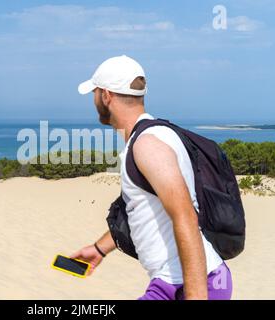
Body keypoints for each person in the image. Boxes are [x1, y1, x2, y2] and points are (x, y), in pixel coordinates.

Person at [72, 55, 232, 300]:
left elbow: (185, 215)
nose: (94, 101)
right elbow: (146, 210)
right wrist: (100, 249)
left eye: (94, 93)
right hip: (179, 282)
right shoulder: (156, 134)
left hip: (190, 286)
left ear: (106, 95)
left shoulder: (147, 146)